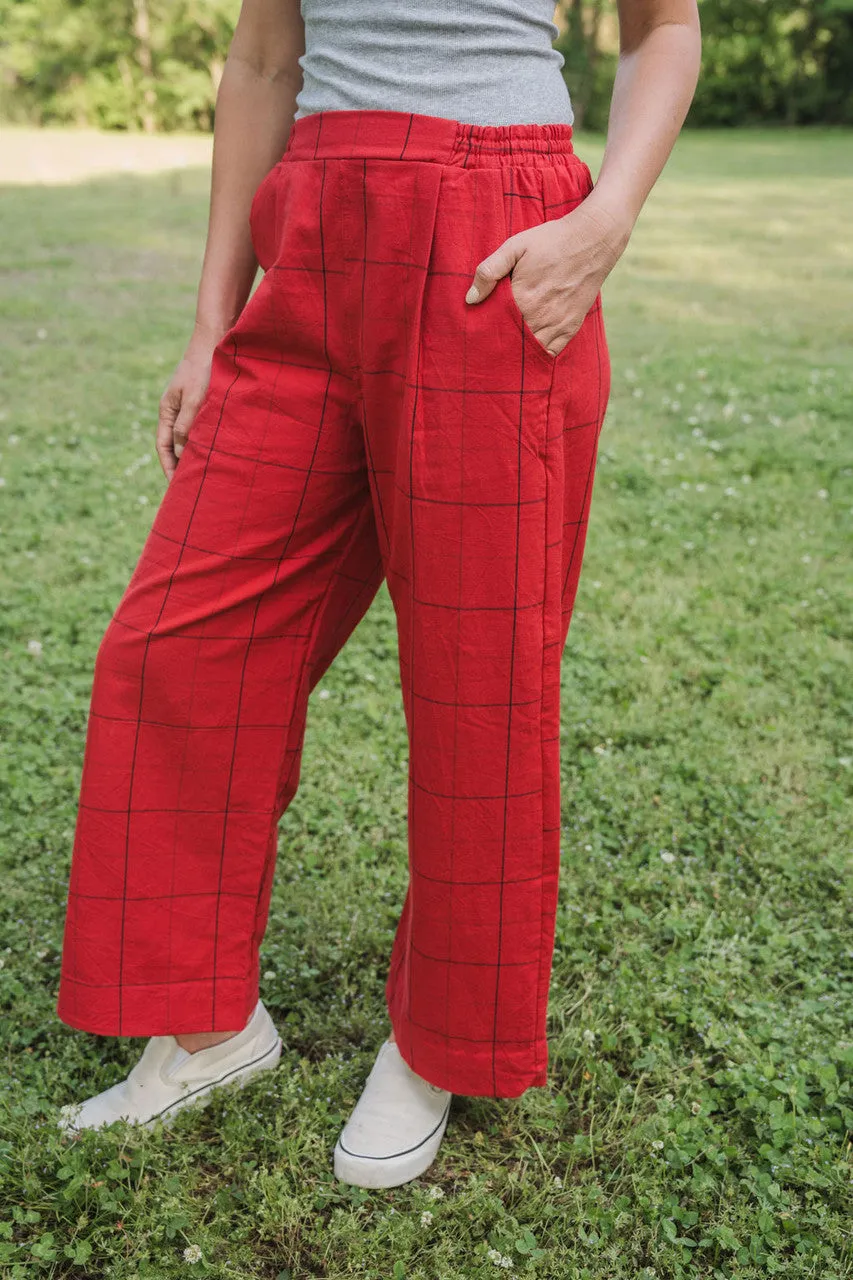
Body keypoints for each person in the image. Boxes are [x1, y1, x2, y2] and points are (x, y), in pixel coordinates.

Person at [54, 0, 701, 1188]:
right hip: (310, 234)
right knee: (175, 645)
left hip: (492, 238)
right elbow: (260, 59)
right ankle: (209, 1028)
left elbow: (665, 29)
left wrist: (602, 222)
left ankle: (434, 1044)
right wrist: (211, 320)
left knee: (477, 681)